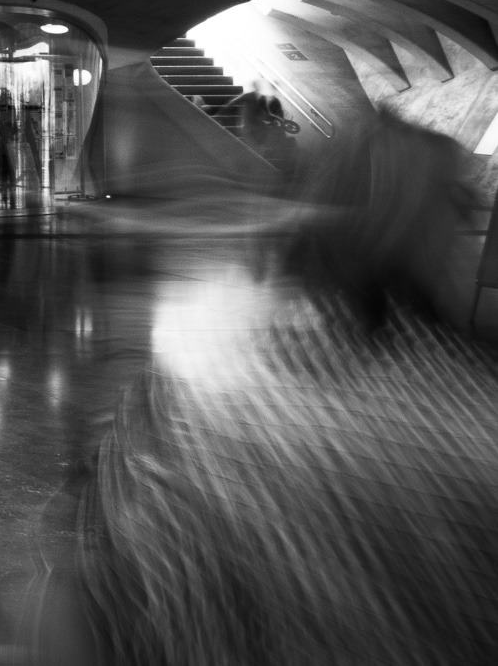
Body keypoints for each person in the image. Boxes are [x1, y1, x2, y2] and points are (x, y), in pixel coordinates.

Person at [25, 111, 498, 664]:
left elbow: (100, 579)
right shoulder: (467, 426)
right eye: (462, 203)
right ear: (424, 223)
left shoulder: (188, 385)